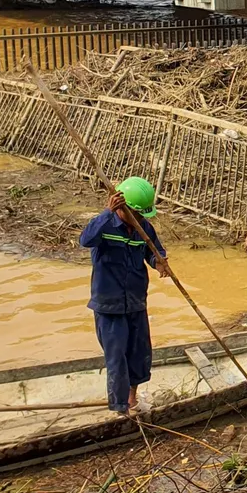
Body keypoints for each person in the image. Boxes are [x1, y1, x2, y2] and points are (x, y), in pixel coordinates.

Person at [79, 177, 168, 415]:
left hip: (136, 301)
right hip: (109, 305)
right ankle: (120, 410)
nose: (140, 220)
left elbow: (153, 249)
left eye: (142, 216)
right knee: (117, 358)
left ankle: (132, 399)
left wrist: (159, 262)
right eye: (136, 214)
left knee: (139, 353)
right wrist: (108, 213)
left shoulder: (144, 228)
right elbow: (85, 240)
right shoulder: (105, 226)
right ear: (121, 208)